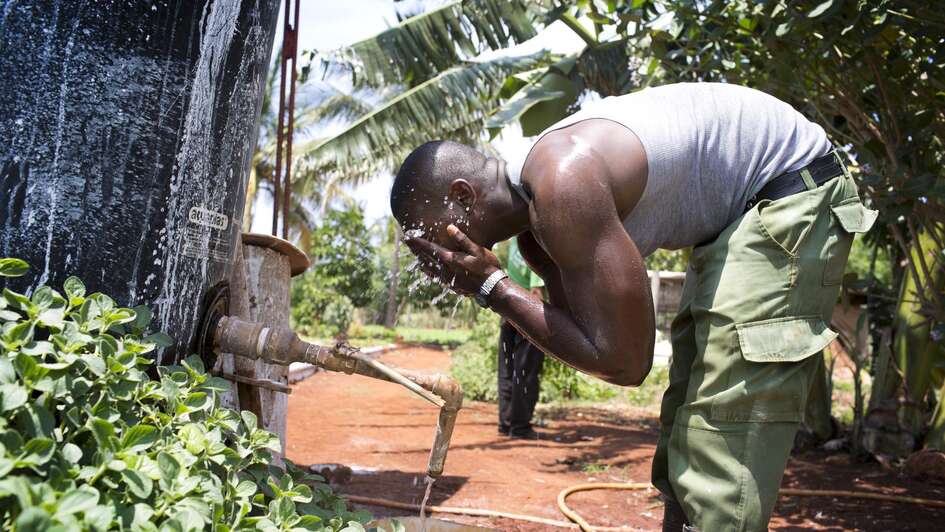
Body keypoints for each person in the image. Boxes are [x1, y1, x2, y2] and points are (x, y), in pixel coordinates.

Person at [389, 82, 877, 531]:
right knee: (687, 411)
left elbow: (625, 362)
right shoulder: (537, 236)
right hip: (738, 217)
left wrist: (492, 287)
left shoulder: (562, 183)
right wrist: (495, 289)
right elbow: (585, 339)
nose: (430, 259)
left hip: (790, 192)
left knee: (725, 415)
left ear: (462, 195)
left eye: (426, 237)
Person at [497, 239, 545, 439]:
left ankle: (506, 423)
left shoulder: (517, 239)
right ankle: (520, 427)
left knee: (507, 369)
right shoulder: (534, 243)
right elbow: (536, 289)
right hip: (528, 312)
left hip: (509, 309)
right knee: (525, 371)